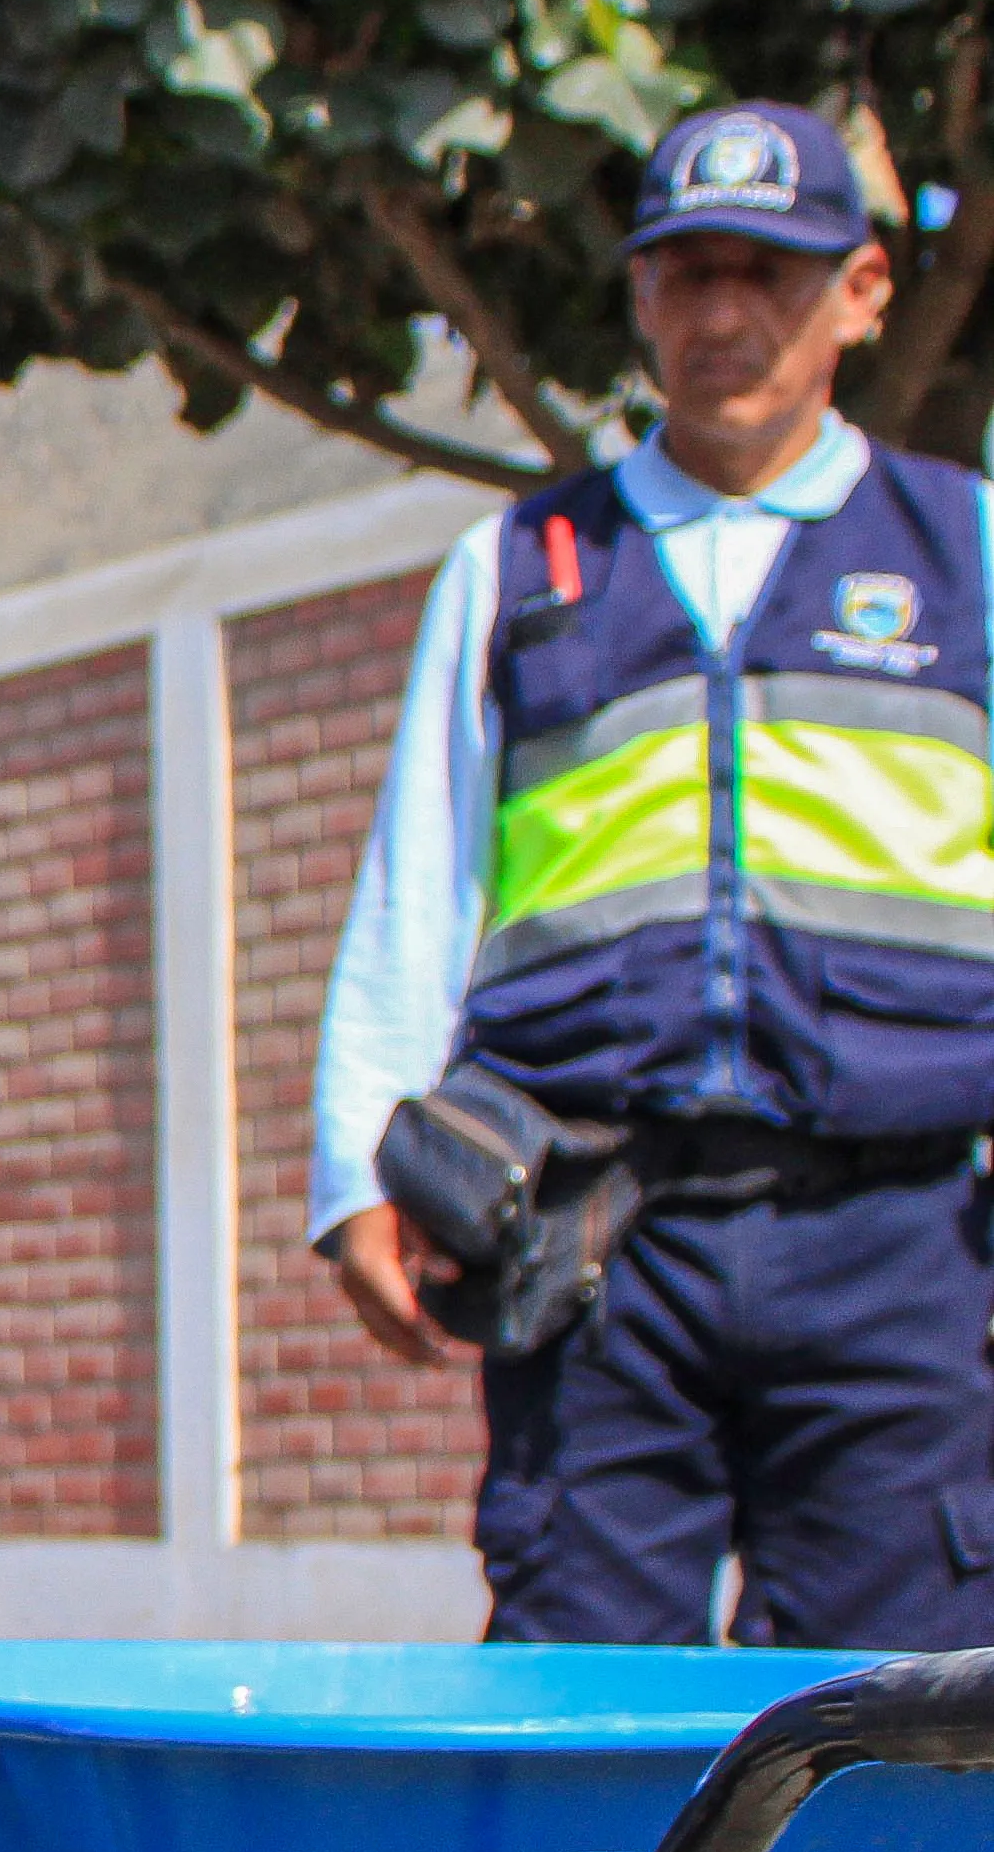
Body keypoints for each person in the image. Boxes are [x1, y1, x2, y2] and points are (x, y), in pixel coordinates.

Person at [312, 98, 994, 1656]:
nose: (725, 313)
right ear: (640, 293)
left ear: (863, 293)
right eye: (690, 272)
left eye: (771, 272)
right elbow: (419, 881)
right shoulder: (520, 567)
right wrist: (355, 1168)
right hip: (591, 1232)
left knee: (903, 1706)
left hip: (904, 1241)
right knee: (574, 1694)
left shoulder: (969, 550)